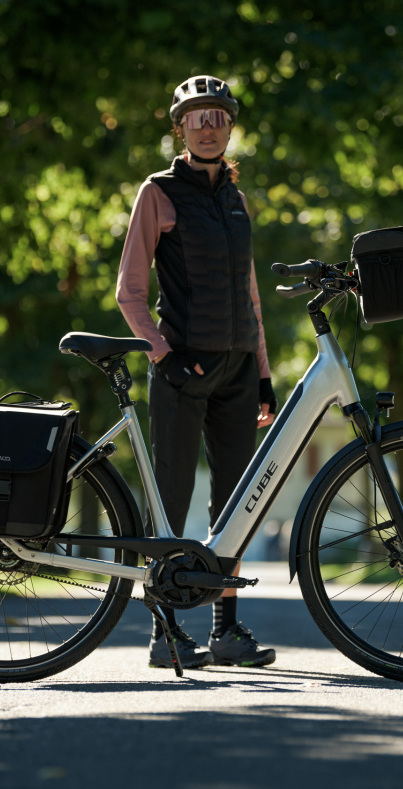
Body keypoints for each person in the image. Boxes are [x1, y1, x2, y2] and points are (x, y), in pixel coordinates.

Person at [115, 75, 278, 669]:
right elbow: (129, 293)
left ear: (231, 127)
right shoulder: (157, 193)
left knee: (235, 506)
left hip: (236, 369)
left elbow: (250, 295)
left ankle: (226, 632)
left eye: (218, 117)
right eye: (196, 118)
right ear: (178, 127)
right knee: (171, 506)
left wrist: (261, 373)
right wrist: (162, 354)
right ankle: (163, 634)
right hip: (182, 370)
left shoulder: (235, 197)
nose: (208, 127)